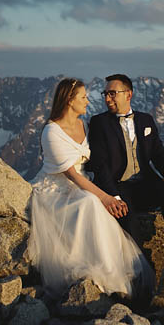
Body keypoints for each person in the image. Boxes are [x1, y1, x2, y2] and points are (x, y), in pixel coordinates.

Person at [27, 77, 151, 298]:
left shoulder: (84, 124)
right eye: (83, 97)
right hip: (56, 190)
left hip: (84, 184)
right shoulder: (51, 132)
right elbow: (72, 175)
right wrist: (106, 198)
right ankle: (103, 276)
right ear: (69, 100)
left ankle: (115, 274)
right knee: (90, 203)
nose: (88, 100)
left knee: (95, 205)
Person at [87, 73, 164, 253]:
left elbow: (158, 151)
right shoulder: (99, 123)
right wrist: (114, 198)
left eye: (112, 93)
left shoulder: (145, 120)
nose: (107, 98)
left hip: (143, 184)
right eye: (105, 94)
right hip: (117, 187)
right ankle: (141, 263)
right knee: (128, 218)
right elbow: (100, 165)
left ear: (128, 95)